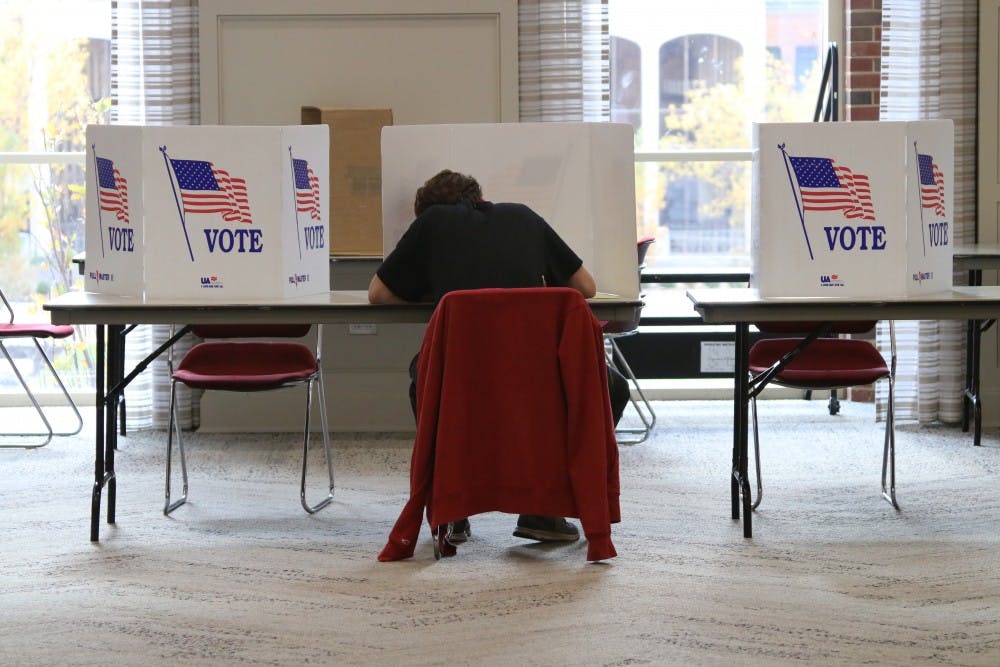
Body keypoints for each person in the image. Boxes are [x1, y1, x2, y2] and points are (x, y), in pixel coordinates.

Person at [369, 169, 630, 544]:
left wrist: (442, 296)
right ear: (478, 198)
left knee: (422, 378)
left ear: (424, 212)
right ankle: (543, 511)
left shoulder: (430, 223)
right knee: (614, 386)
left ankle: (453, 509)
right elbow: (585, 288)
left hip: (466, 376)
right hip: (540, 374)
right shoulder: (522, 215)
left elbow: (378, 294)